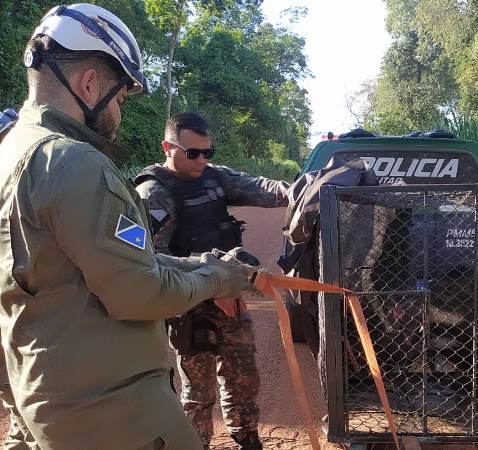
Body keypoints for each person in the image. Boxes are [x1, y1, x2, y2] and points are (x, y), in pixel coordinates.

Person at [0, 4, 257, 450]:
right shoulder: (74, 163)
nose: (118, 113)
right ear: (88, 84)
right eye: (120, 98)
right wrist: (218, 279)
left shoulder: (12, 152)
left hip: (40, 392)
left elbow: (84, 265)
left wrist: (197, 263)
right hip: (110, 409)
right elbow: (138, 292)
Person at [134, 112, 289, 450]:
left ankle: (246, 437)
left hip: (229, 299)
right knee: (198, 394)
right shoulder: (153, 193)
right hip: (187, 304)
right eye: (193, 153)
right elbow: (153, 261)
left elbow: (263, 188)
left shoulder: (213, 177)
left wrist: (300, 191)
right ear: (168, 147)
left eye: (208, 152)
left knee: (244, 378)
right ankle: (197, 443)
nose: (202, 159)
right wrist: (210, 283)